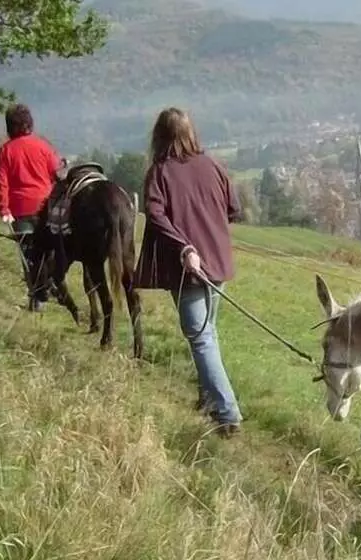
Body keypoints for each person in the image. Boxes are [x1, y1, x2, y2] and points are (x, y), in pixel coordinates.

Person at [134, 107, 243, 438]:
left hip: (190, 269)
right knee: (208, 332)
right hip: (218, 264)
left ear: (160, 136)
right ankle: (209, 399)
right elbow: (234, 210)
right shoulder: (214, 165)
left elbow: (154, 215)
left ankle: (227, 414)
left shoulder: (160, 172)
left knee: (201, 336)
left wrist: (184, 247)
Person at [0, 103, 61, 310]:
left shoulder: (5, 152)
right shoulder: (44, 146)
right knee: (48, 251)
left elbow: (1, 183)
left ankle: (36, 298)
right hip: (46, 207)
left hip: (20, 210)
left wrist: (4, 209)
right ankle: (48, 286)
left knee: (28, 255)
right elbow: (57, 174)